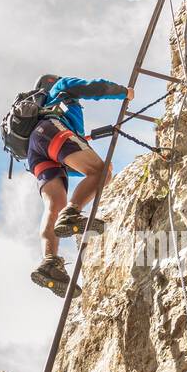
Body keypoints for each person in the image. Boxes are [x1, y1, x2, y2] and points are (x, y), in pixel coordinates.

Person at [28, 73, 133, 296]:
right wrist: (123, 92)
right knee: (103, 172)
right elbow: (91, 87)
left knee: (54, 206)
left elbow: (73, 163)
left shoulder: (41, 111)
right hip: (53, 132)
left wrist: (85, 154)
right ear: (50, 83)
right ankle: (72, 213)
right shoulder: (60, 88)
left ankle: (49, 262)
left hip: (36, 150)